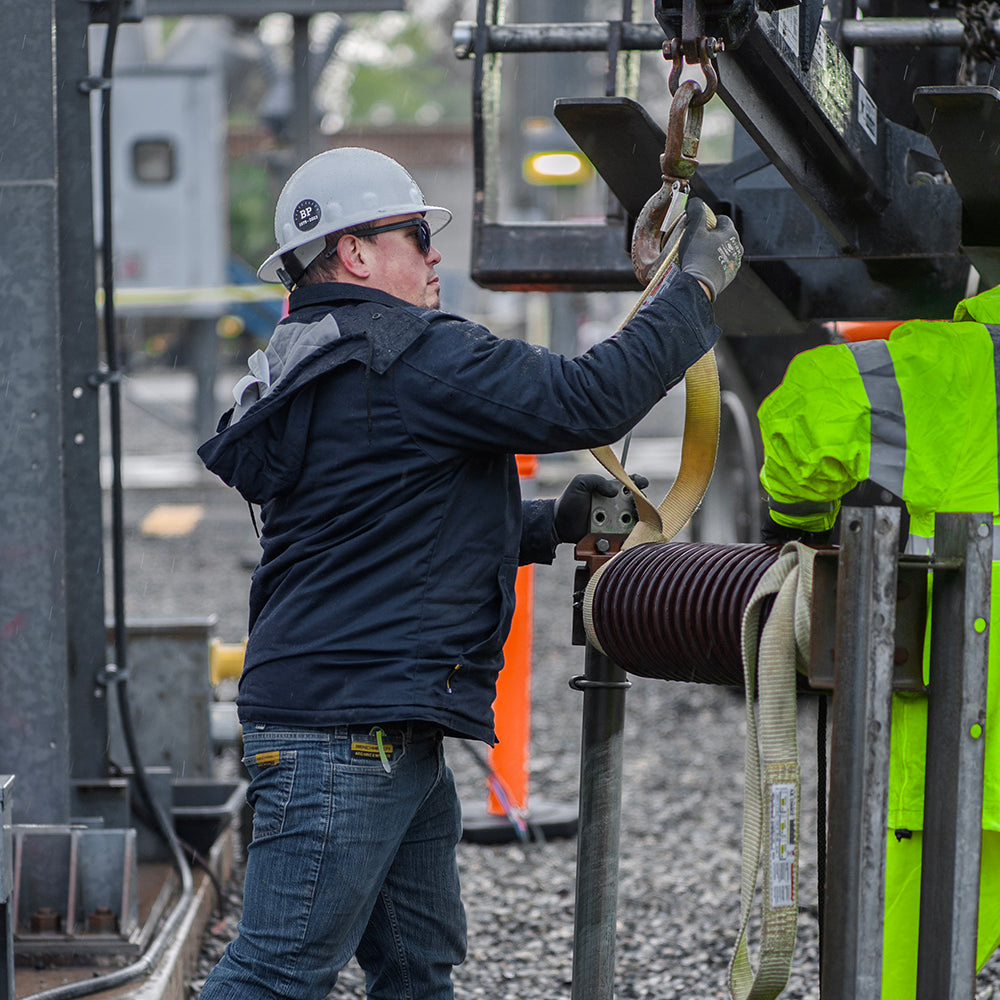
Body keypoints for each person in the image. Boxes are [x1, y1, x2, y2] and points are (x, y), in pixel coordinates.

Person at [196, 145, 742, 1000]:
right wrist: (694, 289)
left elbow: (387, 524)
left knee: (417, 969)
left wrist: (550, 523)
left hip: (371, 726)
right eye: (417, 234)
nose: (435, 253)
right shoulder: (410, 354)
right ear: (355, 252)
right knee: (274, 973)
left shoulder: (314, 359)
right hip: (350, 733)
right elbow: (587, 400)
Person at [756, 288, 1000, 996]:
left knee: (901, 980)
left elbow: (812, 408)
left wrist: (798, 521)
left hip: (970, 757)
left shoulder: (958, 365)